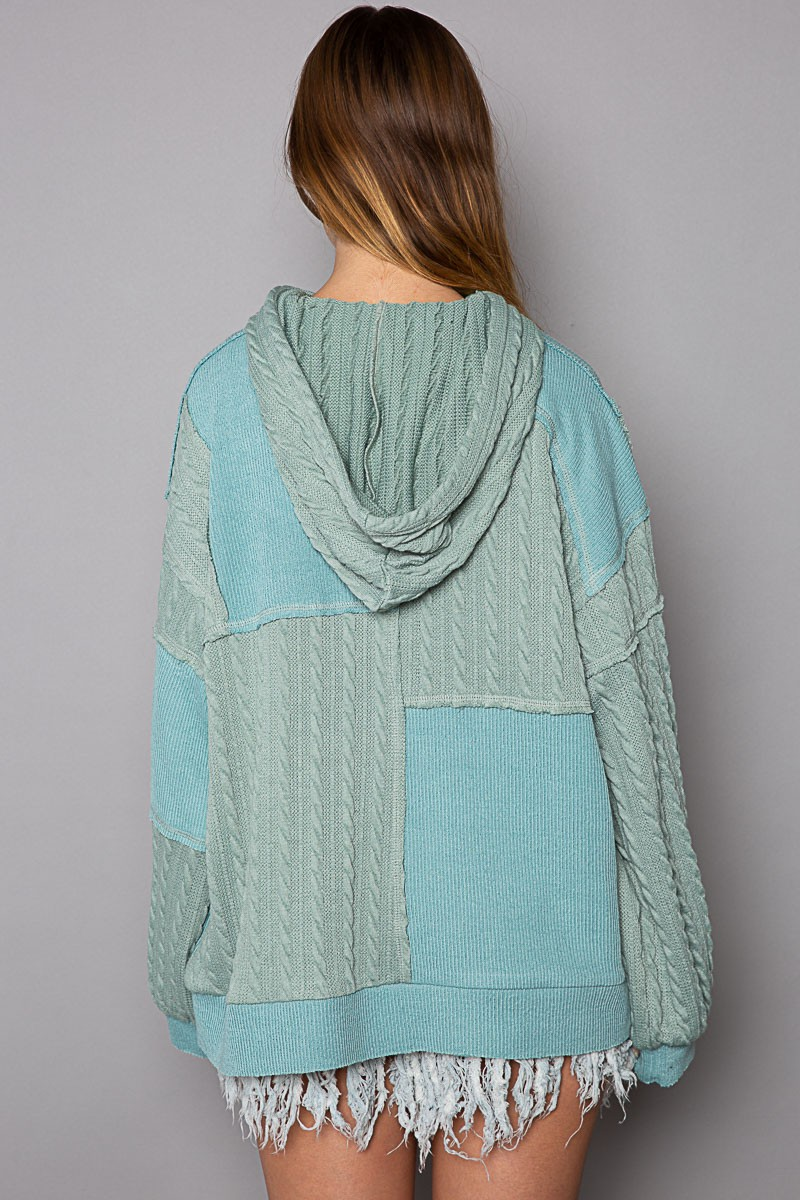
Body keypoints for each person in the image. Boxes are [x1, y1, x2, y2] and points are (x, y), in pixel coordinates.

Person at [146, 6, 713, 1198]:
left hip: (301, 950)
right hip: (529, 951)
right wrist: (669, 985)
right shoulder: (562, 400)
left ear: (309, 160)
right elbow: (632, 708)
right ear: (464, 157)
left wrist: (185, 967)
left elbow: (191, 708)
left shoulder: (225, 407)